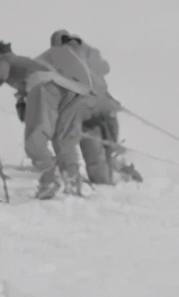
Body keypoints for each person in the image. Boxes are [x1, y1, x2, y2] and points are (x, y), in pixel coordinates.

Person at [0, 40, 95, 199]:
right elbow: (24, 86)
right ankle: (73, 180)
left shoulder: (3, 59)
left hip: (44, 87)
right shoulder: (26, 62)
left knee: (35, 137)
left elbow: (0, 73)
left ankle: (49, 180)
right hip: (71, 89)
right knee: (65, 138)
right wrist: (22, 102)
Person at [46, 30, 140, 184]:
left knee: (95, 156)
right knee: (110, 148)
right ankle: (123, 173)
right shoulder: (87, 53)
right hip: (107, 107)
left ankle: (104, 184)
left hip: (86, 113)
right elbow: (105, 68)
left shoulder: (60, 63)